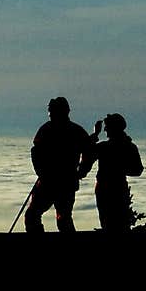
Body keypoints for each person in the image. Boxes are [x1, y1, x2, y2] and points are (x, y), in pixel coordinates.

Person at [24, 96, 95, 233]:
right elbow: (36, 152)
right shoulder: (73, 130)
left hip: (55, 181)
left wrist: (82, 171)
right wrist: (81, 171)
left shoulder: (49, 130)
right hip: (56, 180)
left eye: (52, 111)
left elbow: (88, 152)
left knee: (52, 217)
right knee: (58, 217)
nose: (50, 114)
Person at [81, 113, 144, 232]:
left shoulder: (105, 147)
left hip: (107, 190)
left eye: (107, 126)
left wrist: (95, 134)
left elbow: (86, 155)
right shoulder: (129, 147)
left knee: (109, 223)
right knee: (119, 224)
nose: (105, 129)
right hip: (118, 188)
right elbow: (138, 170)